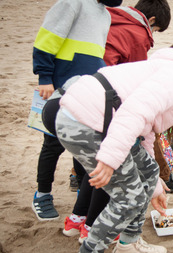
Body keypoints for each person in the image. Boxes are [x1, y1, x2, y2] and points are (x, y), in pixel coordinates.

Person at [55, 41, 173, 253]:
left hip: (84, 116)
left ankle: (129, 245)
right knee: (128, 199)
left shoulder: (168, 69)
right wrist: (111, 158)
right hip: (90, 122)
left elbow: (146, 132)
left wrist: (155, 184)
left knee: (150, 173)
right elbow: (135, 111)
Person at [62, 0, 173, 245]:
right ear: (151, 22)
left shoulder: (111, 18)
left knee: (95, 168)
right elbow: (138, 80)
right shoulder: (137, 32)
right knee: (111, 167)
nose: (153, 35)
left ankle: (76, 220)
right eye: (157, 30)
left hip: (82, 95)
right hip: (107, 107)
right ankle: (91, 227)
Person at [31, 0, 123, 221]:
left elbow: (95, 54)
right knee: (52, 143)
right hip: (60, 87)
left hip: (87, 90)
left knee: (83, 144)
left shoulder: (106, 14)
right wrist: (44, 76)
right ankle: (42, 194)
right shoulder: (73, 3)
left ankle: (82, 196)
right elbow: (47, 38)